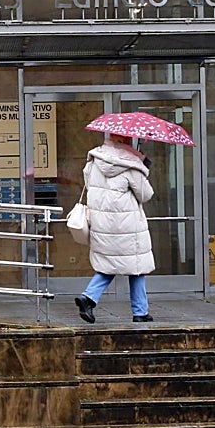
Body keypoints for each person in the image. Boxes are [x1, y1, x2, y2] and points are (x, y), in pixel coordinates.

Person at [74, 132, 155, 324]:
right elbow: (146, 194)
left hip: (101, 225)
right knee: (136, 267)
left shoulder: (94, 161)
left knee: (108, 265)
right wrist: (143, 166)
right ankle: (140, 311)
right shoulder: (131, 164)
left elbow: (89, 185)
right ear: (126, 140)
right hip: (127, 226)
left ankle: (89, 297)